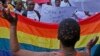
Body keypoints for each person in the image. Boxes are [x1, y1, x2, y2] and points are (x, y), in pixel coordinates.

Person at [2, 9, 99, 56]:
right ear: (78, 37)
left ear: (57, 36)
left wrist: (13, 25)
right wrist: (88, 47)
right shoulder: (83, 55)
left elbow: (16, 51)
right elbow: (87, 53)